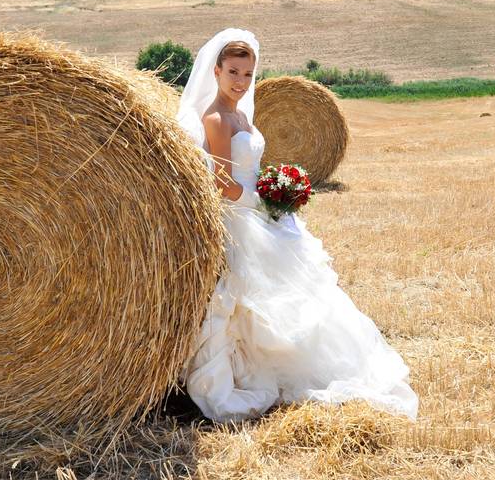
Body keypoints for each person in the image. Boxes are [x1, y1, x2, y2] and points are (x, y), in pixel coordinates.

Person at [176, 28, 418, 422]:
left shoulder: (240, 114)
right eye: (233, 72)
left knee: (305, 291)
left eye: (248, 75)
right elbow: (221, 183)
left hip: (259, 210)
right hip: (241, 218)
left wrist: (276, 193)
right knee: (255, 298)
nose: (240, 82)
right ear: (216, 70)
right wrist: (264, 200)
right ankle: (252, 372)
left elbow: (247, 168)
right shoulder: (216, 119)